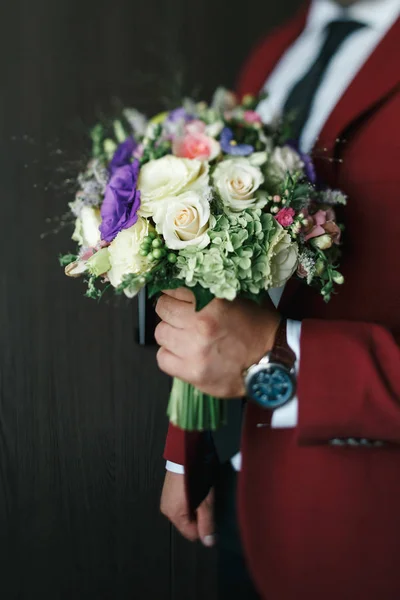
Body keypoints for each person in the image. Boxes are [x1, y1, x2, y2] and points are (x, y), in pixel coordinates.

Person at [157, 0, 400, 598]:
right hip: (242, 496)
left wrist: (279, 356)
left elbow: (259, 341)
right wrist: (186, 453)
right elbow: (220, 274)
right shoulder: (271, 55)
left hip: (365, 535)